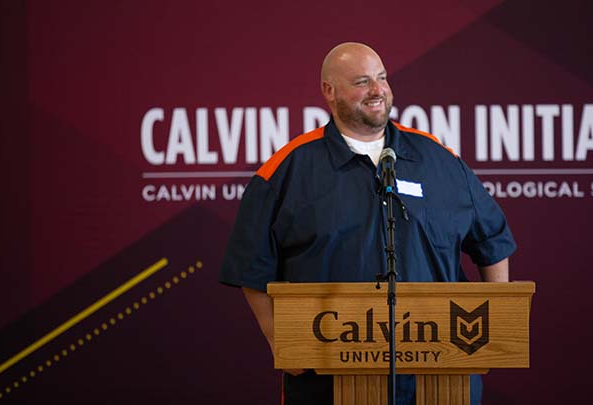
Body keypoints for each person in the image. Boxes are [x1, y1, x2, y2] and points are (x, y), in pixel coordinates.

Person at [220, 42, 515, 405]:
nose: (377, 91)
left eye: (382, 78)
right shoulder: (288, 169)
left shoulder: (438, 158)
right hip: (329, 376)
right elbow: (252, 267)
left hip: (441, 374)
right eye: (362, 81)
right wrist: (278, 339)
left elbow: (493, 240)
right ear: (329, 91)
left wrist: (492, 323)